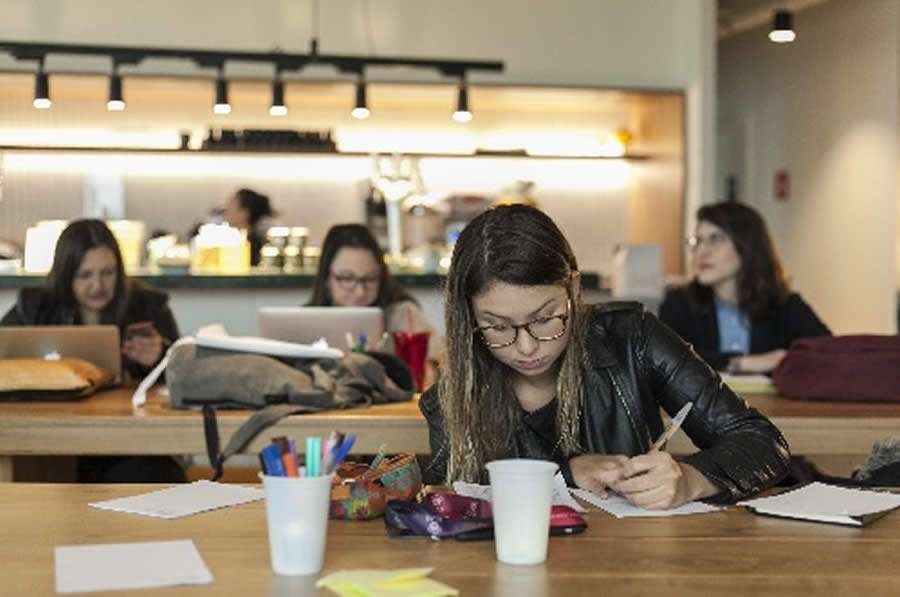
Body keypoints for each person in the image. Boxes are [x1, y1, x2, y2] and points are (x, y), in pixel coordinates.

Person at [419, 205, 790, 509]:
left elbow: (760, 440)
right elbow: (462, 496)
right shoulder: (450, 396)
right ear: (468, 316)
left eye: (545, 318)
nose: (527, 347)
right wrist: (565, 474)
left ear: (574, 289)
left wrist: (690, 480)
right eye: (497, 327)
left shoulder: (633, 338)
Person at [1, 219, 184, 483]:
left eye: (107, 273)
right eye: (85, 275)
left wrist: (160, 358)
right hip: (51, 439)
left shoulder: (148, 305)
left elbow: (185, 372)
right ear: (65, 276)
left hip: (130, 440)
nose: (98, 286)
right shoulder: (34, 307)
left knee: (158, 474)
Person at [659, 201, 830, 374]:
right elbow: (664, 359)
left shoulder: (786, 305)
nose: (701, 251)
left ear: (747, 246)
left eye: (715, 239)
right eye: (698, 241)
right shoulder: (679, 303)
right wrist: (741, 363)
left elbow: (830, 355)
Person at [308, 223, 441, 357]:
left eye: (370, 279)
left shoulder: (401, 315)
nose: (360, 292)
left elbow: (441, 359)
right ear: (326, 278)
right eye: (347, 278)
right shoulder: (306, 322)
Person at [220, 188, 275, 266]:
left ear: (244, 213)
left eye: (230, 205)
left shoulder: (254, 247)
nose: (225, 210)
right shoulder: (229, 241)